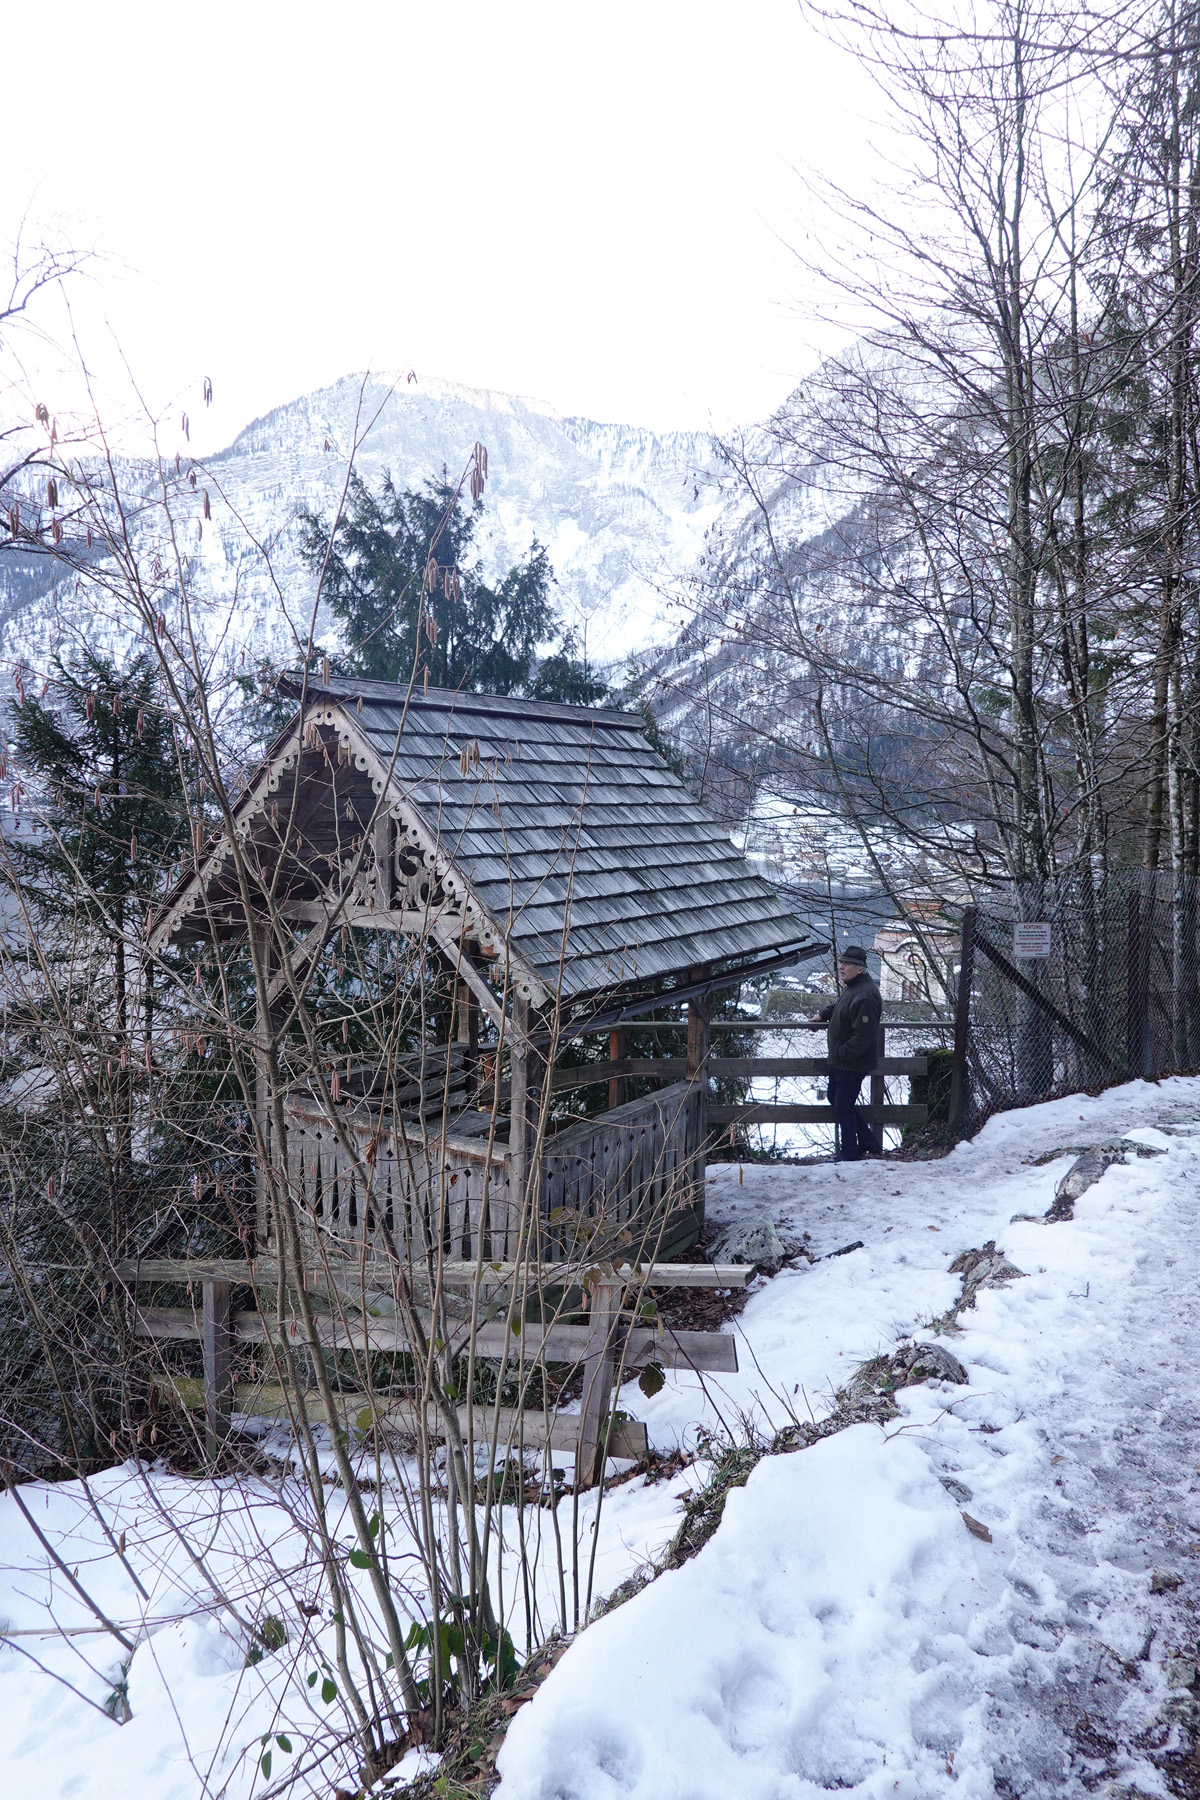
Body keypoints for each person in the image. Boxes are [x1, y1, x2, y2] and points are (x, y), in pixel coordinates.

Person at [811, 945, 883, 1163]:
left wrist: (841, 1054)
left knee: (842, 1105)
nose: (841, 967)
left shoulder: (866, 996)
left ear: (860, 968)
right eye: (841, 963)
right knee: (837, 1099)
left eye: (847, 964)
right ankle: (869, 1142)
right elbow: (842, 1006)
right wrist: (823, 1014)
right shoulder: (855, 987)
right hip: (842, 1061)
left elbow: (864, 1037)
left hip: (851, 1063)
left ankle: (850, 1152)